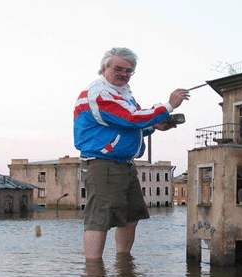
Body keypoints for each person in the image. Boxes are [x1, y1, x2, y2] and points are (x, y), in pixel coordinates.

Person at [74, 47, 189, 260]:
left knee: (130, 216)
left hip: (124, 163)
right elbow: (130, 118)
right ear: (104, 68)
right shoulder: (100, 93)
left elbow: (128, 126)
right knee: (99, 219)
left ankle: (123, 263)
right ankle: (94, 273)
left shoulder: (123, 94)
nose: (124, 74)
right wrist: (168, 105)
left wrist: (155, 126)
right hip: (102, 163)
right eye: (119, 69)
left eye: (129, 71)